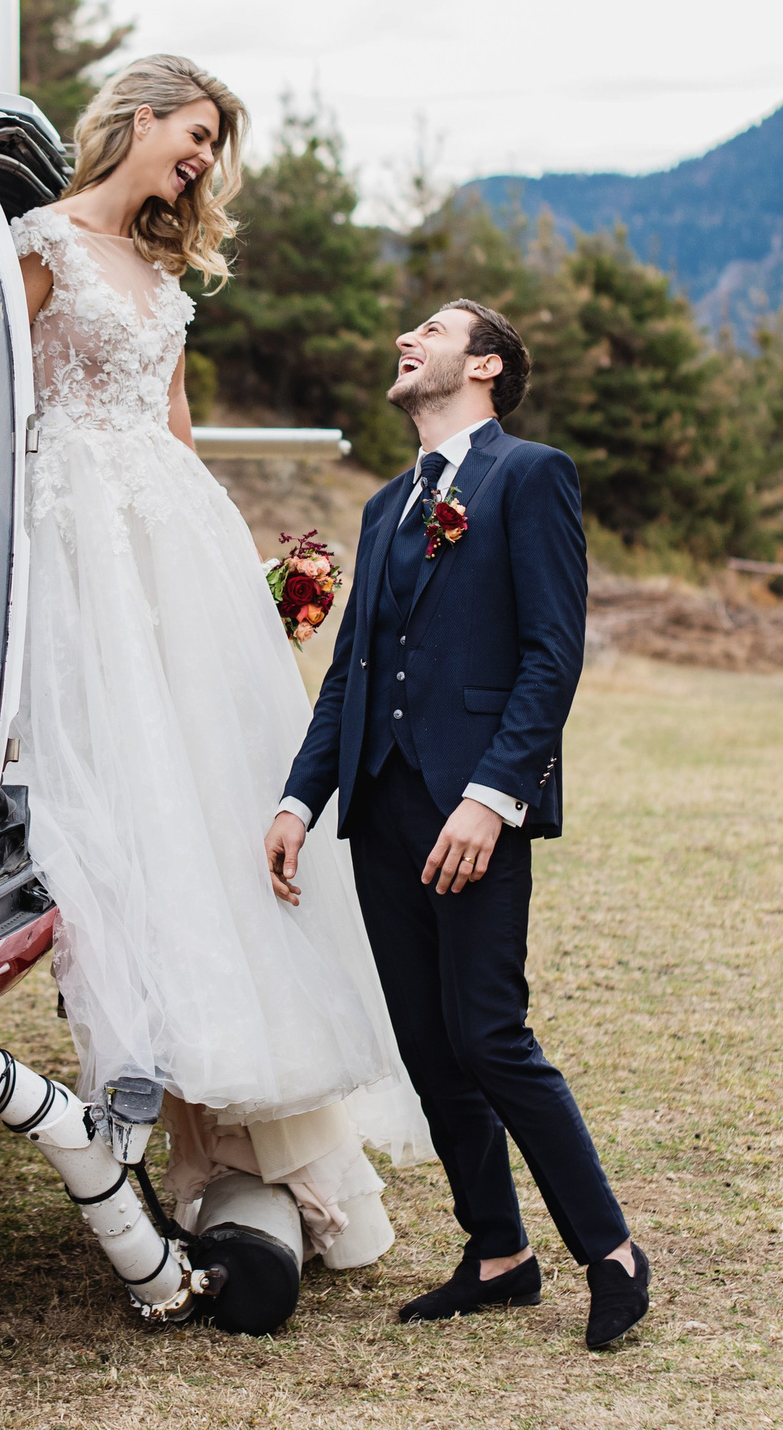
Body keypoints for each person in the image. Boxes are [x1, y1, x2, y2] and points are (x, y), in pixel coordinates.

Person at [0, 54, 427, 1267]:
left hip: (172, 540)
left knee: (216, 788)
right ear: (140, 117)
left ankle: (253, 1113)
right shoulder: (40, 241)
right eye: (198, 131)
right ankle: (182, 1090)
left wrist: (240, 580)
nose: (205, 157)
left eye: (216, 142)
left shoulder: (161, 273)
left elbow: (171, 433)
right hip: (78, 540)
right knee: (126, 795)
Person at [264, 302, 651, 1350]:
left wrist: (492, 795)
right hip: (381, 803)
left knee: (488, 1032)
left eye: (429, 329)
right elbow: (350, 668)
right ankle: (497, 1252)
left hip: (471, 804)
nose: (404, 338)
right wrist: (303, 796)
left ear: (482, 364)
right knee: (429, 1045)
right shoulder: (388, 503)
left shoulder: (530, 475)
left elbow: (550, 651)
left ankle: (611, 1250)